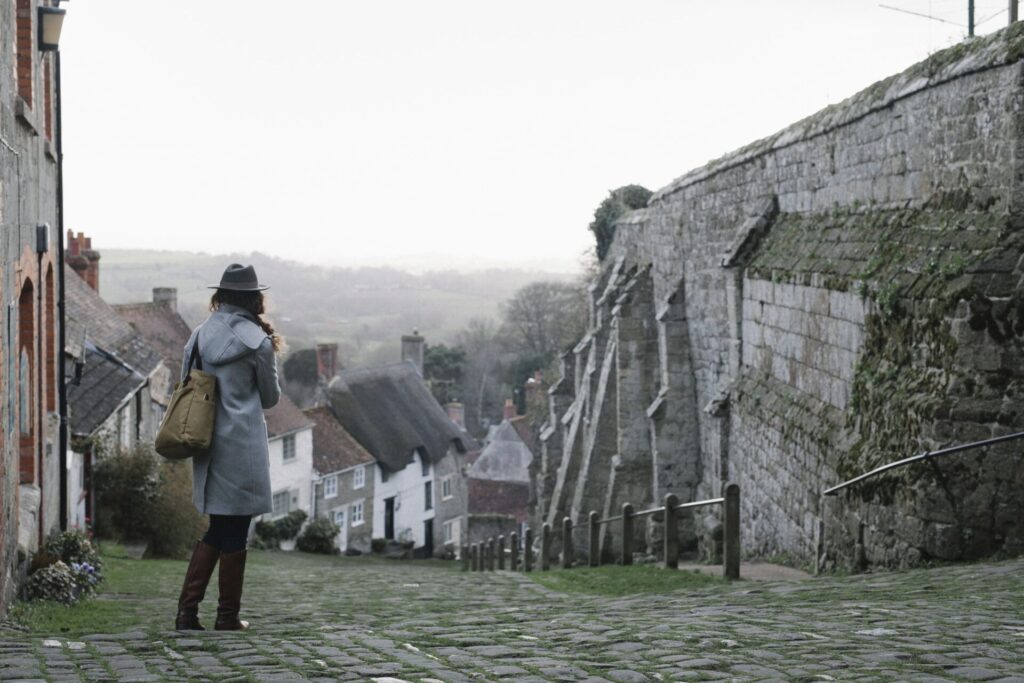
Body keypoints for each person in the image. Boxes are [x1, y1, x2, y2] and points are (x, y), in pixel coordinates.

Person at [174, 263, 282, 631]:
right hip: (243, 446)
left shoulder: (199, 335)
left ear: (220, 295)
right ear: (255, 298)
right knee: (235, 528)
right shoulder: (258, 341)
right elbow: (270, 397)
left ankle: (188, 613)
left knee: (219, 526)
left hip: (206, 440)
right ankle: (227, 616)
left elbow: (185, 382)